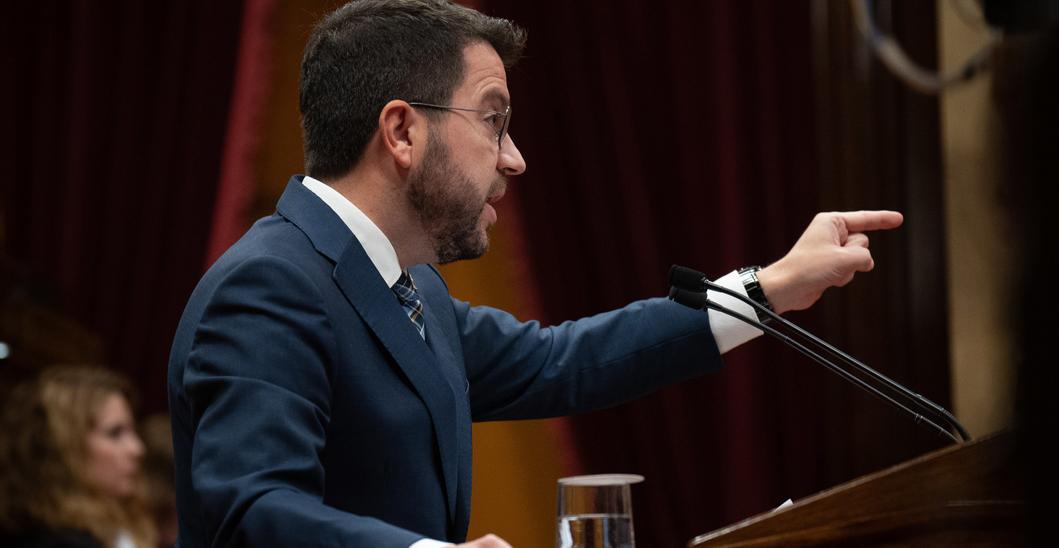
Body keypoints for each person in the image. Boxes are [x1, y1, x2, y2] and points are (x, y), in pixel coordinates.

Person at [167, 1, 903, 546]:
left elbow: (563, 360)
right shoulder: (267, 286)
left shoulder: (412, 287)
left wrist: (771, 288)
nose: (514, 158)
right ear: (401, 132)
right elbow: (250, 509)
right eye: (493, 120)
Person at [0, 366, 156, 548]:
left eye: (132, 431)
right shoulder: (53, 540)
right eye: (115, 433)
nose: (137, 449)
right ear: (62, 445)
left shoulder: (121, 525)